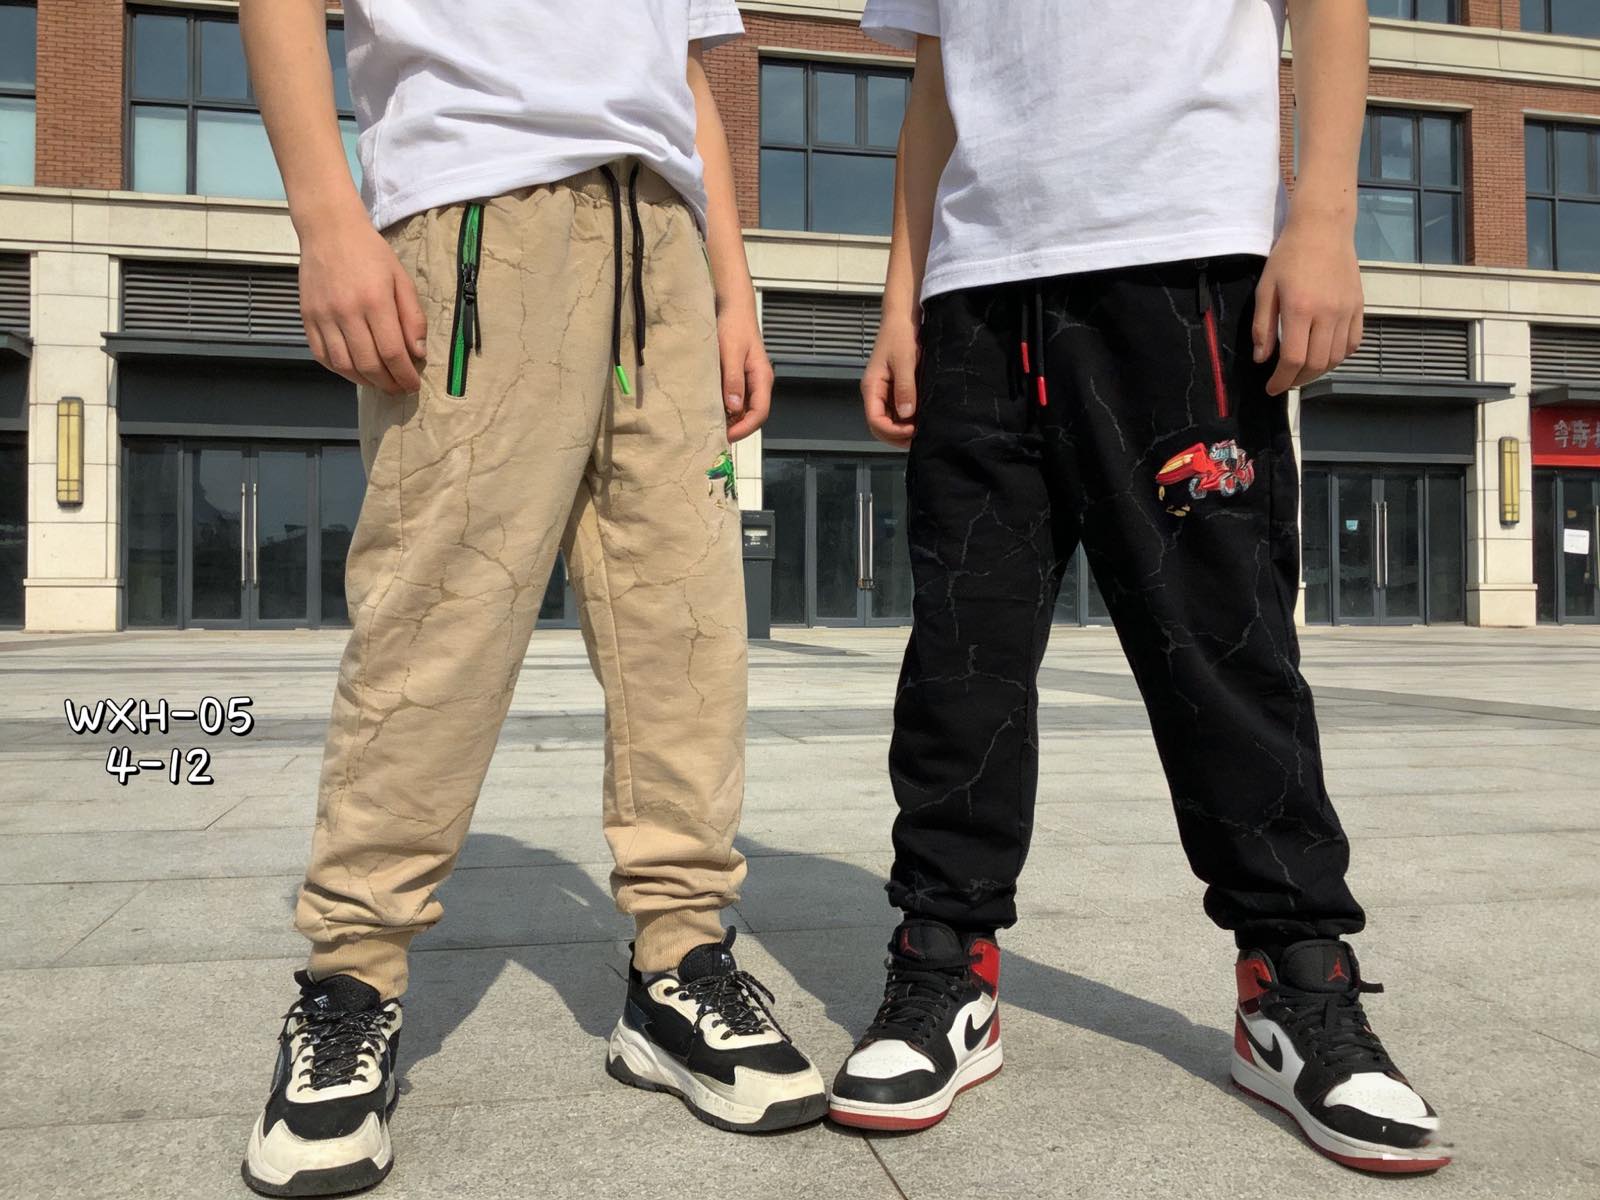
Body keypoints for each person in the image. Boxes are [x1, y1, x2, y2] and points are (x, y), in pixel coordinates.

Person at [829, 0, 1450, 1174]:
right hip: (976, 294)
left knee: (1224, 649)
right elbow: (934, 90)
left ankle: (1294, 981)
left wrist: (1320, 219)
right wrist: (899, 299)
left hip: (1185, 266)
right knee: (962, 656)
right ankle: (943, 962)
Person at [237, 2, 825, 1193]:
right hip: (474, 215)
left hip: (660, 233)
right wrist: (327, 220)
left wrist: (732, 287)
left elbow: (684, 73)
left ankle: (678, 963)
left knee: (685, 626)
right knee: (436, 623)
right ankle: (350, 979)